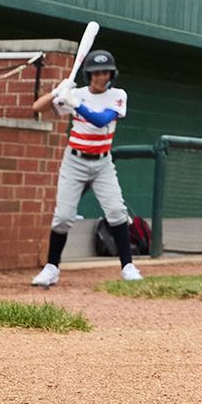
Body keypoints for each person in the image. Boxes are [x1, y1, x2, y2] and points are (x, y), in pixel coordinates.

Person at [30, 49, 143, 286]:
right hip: (74, 162)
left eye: (104, 72)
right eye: (95, 73)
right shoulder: (76, 94)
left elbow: (101, 120)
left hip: (102, 163)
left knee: (116, 212)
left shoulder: (117, 95)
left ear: (112, 74)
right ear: (88, 75)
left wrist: (75, 103)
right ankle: (51, 268)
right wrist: (57, 92)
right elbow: (37, 108)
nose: (100, 77)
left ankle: (128, 266)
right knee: (62, 217)